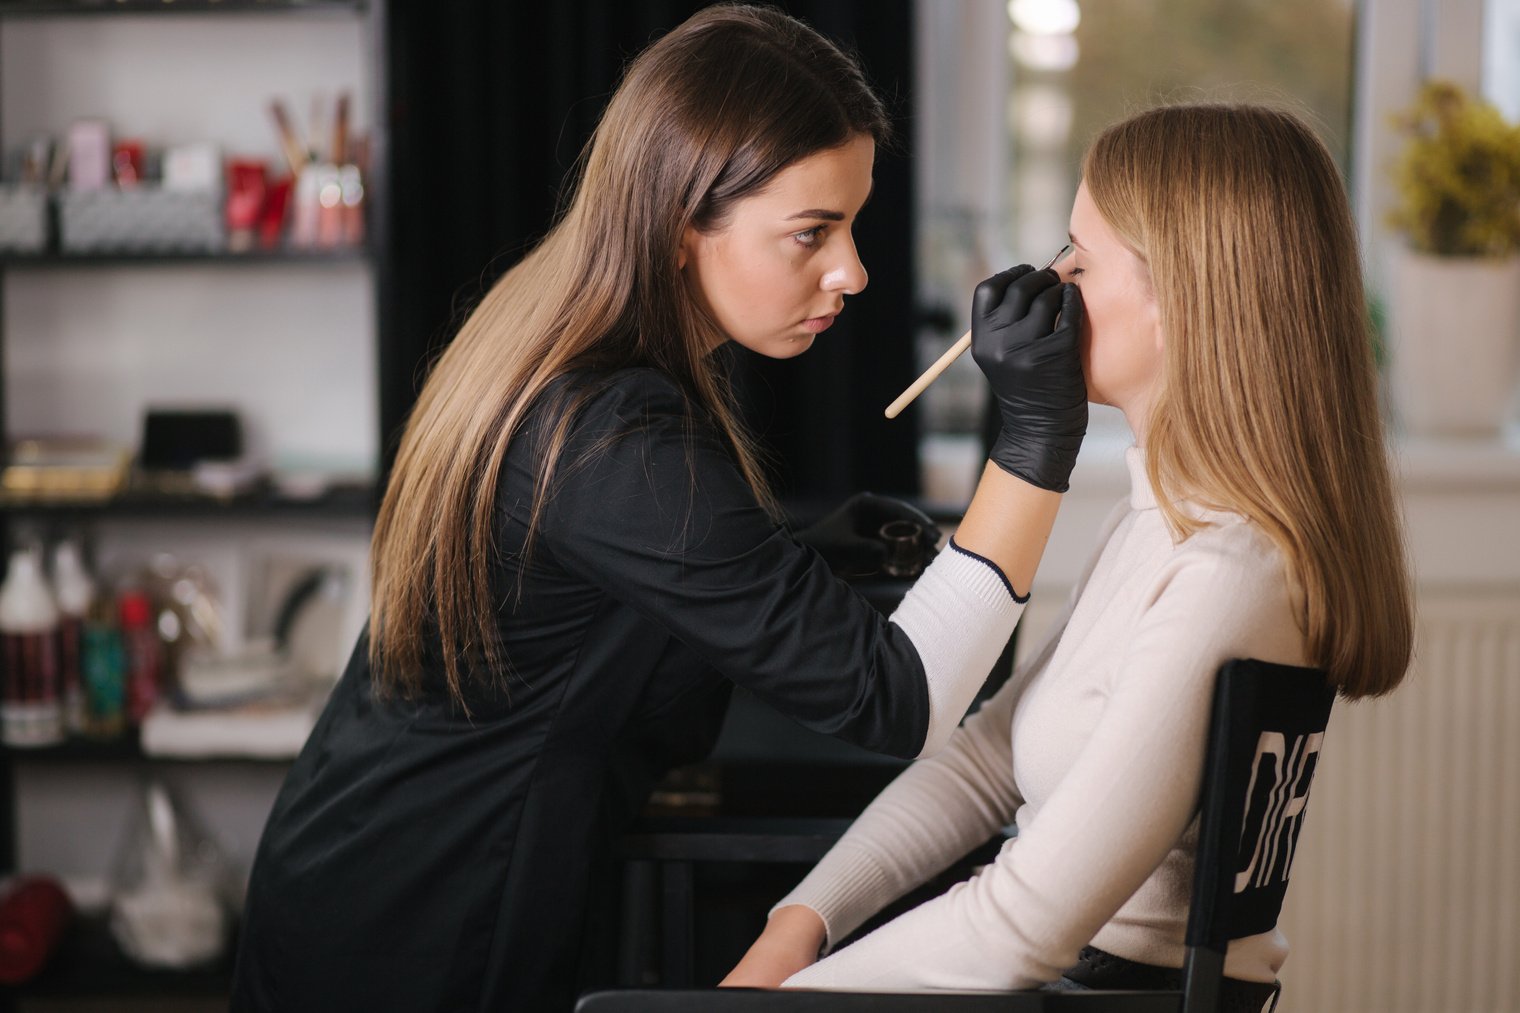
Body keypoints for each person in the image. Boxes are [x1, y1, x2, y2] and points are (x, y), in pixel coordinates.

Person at [230, 6, 1088, 1012]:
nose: (850, 271)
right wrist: (1035, 441)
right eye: (811, 232)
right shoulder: (613, 435)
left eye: (850, 225)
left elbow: (597, 601)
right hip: (415, 921)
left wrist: (800, 558)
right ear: (683, 224)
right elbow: (895, 700)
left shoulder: (560, 340)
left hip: (356, 863)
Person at [723, 102, 1414, 1011]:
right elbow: (985, 763)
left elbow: (1019, 926)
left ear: (1185, 298)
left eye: (1078, 261)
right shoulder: (1162, 527)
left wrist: (757, 1005)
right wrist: (800, 920)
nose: (1051, 283)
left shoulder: (1226, 573)